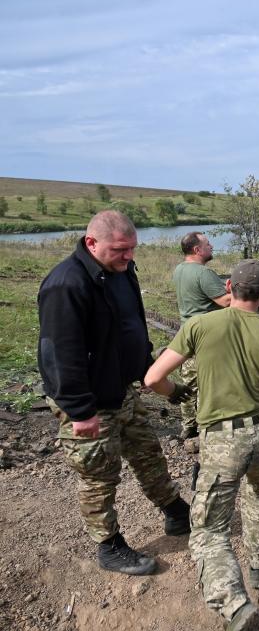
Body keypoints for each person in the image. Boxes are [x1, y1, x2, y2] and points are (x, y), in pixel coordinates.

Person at [145, 259, 259, 631]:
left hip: (222, 439)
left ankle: (234, 606)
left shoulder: (199, 325)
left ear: (229, 287)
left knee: (211, 528)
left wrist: (177, 394)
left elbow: (153, 378)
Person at [37, 210, 192, 577]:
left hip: (121, 390)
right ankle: (108, 545)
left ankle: (174, 510)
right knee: (99, 473)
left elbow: (131, 325)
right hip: (88, 402)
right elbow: (59, 354)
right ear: (92, 243)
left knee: (147, 452)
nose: (129, 256)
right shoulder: (67, 284)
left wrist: (144, 368)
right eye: (121, 249)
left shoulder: (121, 273)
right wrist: (80, 412)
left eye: (133, 249)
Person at [172, 231, 231, 440]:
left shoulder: (179, 270)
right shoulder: (203, 273)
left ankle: (188, 427)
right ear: (197, 250)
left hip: (187, 332)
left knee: (189, 383)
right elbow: (225, 301)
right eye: (207, 244)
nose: (212, 246)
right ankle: (210, 427)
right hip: (206, 336)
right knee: (210, 384)